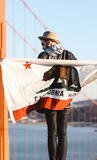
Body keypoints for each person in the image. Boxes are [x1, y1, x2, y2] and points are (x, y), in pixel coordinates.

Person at [37, 31, 76, 160]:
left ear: (49, 42)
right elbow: (75, 73)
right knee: (63, 134)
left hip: (50, 98)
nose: (42, 47)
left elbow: (37, 75)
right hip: (64, 98)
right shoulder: (69, 55)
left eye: (43, 43)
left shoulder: (44, 55)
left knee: (52, 133)